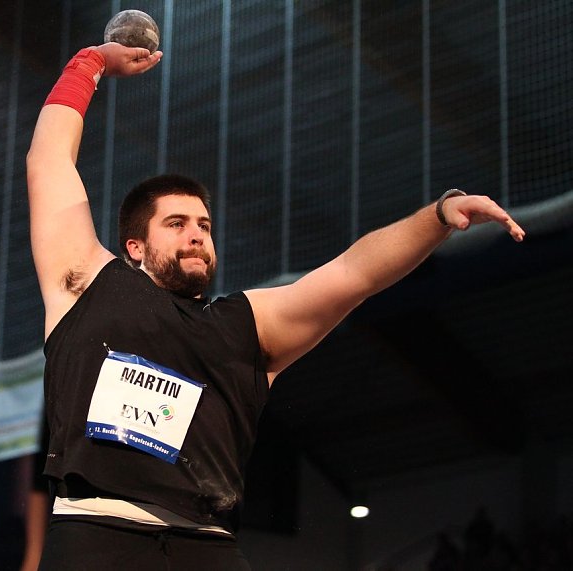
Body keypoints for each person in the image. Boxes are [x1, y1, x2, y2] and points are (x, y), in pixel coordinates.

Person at [26, 42, 525, 570]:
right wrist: (90, 64)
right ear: (134, 247)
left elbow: (354, 274)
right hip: (95, 531)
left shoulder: (245, 326)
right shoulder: (88, 281)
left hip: (208, 545)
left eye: (204, 226)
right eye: (176, 225)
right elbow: (48, 160)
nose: (196, 235)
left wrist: (440, 215)